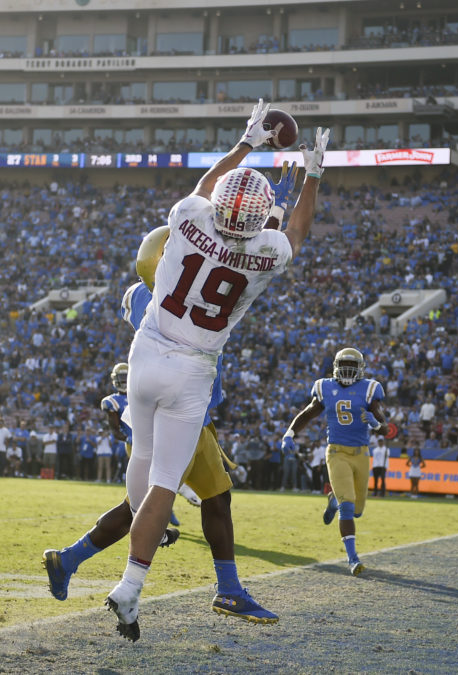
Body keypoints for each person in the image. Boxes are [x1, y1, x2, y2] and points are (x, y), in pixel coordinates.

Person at [105, 114, 323, 641]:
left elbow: (206, 184)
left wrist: (246, 143)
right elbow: (295, 231)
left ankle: (117, 564)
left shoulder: (189, 217)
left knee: (141, 458)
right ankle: (130, 586)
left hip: (147, 352)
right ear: (259, 221)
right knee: (164, 483)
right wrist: (313, 175)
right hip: (193, 368)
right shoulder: (265, 253)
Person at [51, 226, 288, 637]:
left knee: (209, 499)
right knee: (150, 505)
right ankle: (96, 571)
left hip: (178, 406)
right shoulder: (171, 293)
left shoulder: (149, 292)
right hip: (181, 408)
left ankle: (74, 562)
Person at [284, 346, 387, 577]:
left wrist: (376, 424)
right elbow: (309, 412)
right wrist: (289, 433)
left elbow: (386, 428)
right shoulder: (325, 387)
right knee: (348, 506)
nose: (348, 370)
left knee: (357, 511)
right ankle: (353, 558)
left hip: (361, 453)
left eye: (352, 366)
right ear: (335, 367)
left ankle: (333, 502)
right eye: (344, 365)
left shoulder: (370, 389)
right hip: (337, 452)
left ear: (360, 368)